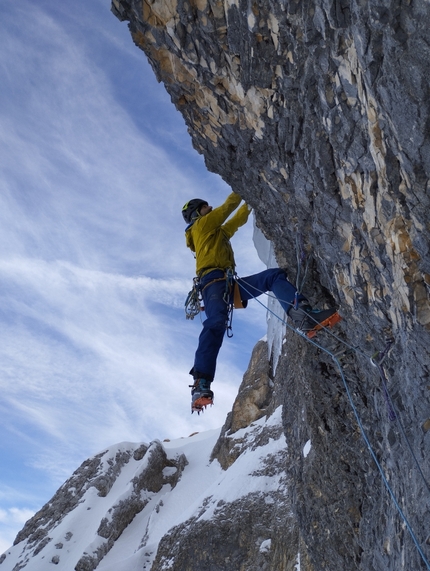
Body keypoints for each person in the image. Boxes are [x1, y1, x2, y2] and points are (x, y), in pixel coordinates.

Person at [182, 192, 337, 413]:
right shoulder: (201, 226)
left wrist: (250, 204)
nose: (210, 207)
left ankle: (303, 315)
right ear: (197, 212)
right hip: (213, 284)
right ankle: (201, 381)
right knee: (215, 322)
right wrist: (241, 189)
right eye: (206, 206)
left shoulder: (215, 233)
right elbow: (227, 209)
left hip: (226, 285)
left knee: (273, 276)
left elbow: (234, 222)